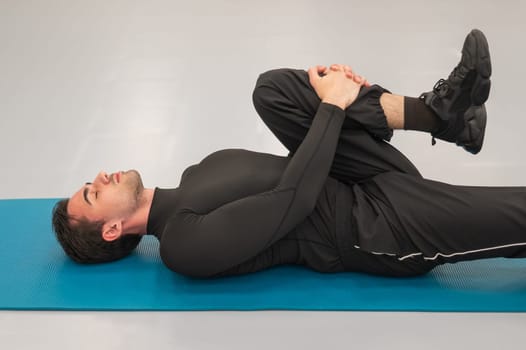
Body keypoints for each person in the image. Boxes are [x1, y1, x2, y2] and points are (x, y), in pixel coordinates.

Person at [53, 29, 521, 280]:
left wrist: (329, 99)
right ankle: (447, 121)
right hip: (378, 228)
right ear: (112, 231)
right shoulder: (181, 245)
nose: (100, 176)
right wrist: (334, 104)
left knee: (273, 89)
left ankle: (441, 117)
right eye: (93, 194)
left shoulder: (197, 171)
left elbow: (308, 156)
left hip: (364, 176)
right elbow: (293, 201)